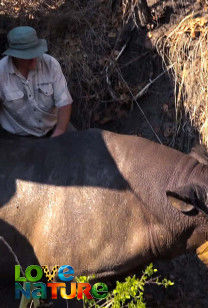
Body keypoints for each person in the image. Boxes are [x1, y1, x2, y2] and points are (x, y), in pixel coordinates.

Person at [0, 26, 74, 138]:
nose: (34, 59)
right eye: (27, 56)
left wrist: (59, 131)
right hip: (17, 136)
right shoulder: (1, 71)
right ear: (14, 55)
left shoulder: (51, 64)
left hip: (53, 128)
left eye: (35, 53)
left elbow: (64, 102)